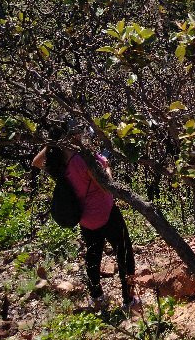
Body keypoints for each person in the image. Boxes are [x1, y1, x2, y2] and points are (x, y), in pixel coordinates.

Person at [32, 132, 139, 314]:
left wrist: (51, 145)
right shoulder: (82, 158)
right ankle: (129, 299)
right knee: (124, 253)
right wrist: (106, 165)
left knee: (93, 255)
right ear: (71, 134)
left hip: (86, 218)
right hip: (106, 211)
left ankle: (97, 297)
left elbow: (36, 162)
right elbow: (106, 183)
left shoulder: (56, 162)